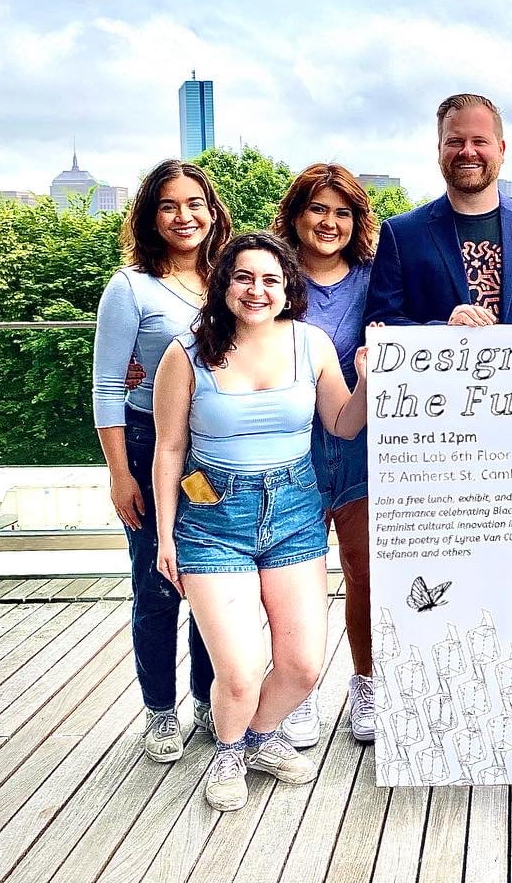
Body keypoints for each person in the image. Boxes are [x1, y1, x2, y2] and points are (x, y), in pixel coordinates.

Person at [152, 232, 370, 812]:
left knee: (301, 667)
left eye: (270, 279)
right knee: (242, 670)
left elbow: (343, 425)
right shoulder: (186, 353)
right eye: (244, 277)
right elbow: (169, 449)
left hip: (296, 510)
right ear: (223, 283)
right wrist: (166, 536)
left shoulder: (312, 343)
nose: (257, 290)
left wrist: (372, 380)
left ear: (287, 287)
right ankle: (227, 751)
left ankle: (258, 737)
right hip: (211, 516)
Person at [92, 159, 231, 763]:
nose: (185, 216)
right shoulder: (130, 287)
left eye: (195, 203)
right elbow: (106, 387)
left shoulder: (225, 278)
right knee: (156, 584)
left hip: (209, 454)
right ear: (151, 216)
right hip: (153, 448)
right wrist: (121, 473)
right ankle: (159, 711)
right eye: (170, 205)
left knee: (209, 577)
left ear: (213, 211)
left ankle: (207, 696)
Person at [273, 163, 379, 745]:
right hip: (290, 450)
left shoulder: (374, 277)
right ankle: (299, 690)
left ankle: (365, 683)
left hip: (363, 449)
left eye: (343, 212)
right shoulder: (272, 278)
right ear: (296, 214)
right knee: (298, 580)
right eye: (318, 209)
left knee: (365, 575)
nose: (330, 223)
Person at [365, 93, 512, 326]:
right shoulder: (401, 234)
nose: (468, 151)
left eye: (479, 141)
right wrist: (443, 332)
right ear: (439, 149)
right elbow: (380, 323)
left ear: (501, 149)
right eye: (455, 141)